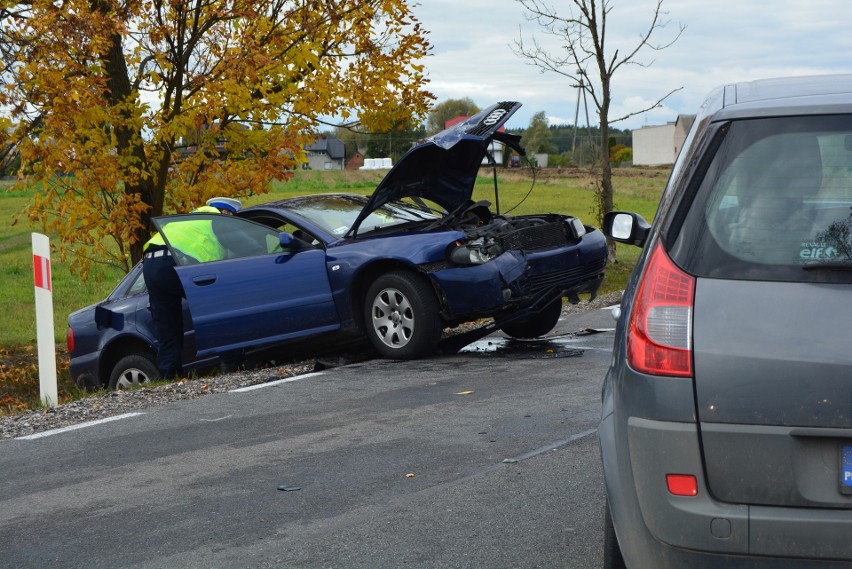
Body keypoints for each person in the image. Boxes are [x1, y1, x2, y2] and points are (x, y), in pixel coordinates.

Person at [142, 197, 242, 379]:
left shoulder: (189, 218)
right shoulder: (218, 219)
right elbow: (246, 245)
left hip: (150, 265)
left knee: (167, 325)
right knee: (219, 309)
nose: (233, 221)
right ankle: (232, 364)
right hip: (176, 263)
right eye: (233, 216)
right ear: (226, 212)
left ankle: (169, 376)